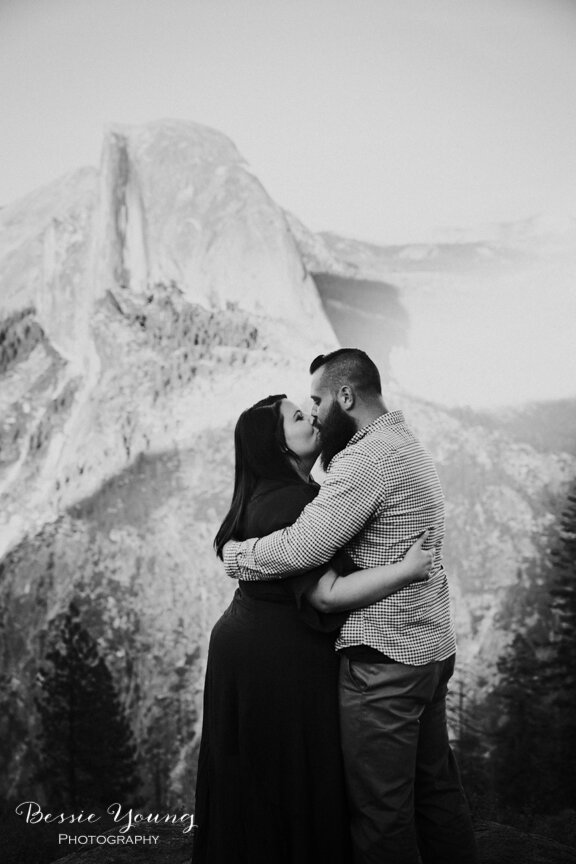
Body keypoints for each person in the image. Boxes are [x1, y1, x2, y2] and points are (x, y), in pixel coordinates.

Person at [224, 350, 479, 864]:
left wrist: (236, 555)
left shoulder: (366, 459)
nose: (314, 412)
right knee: (436, 794)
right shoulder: (401, 439)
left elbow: (302, 549)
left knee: (381, 815)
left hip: (383, 661)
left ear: (345, 396)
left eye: (316, 401)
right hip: (429, 648)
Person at [194, 393, 433, 864]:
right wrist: (408, 570)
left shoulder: (274, 492)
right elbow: (324, 593)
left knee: (257, 775)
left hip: (252, 646)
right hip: (276, 657)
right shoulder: (293, 501)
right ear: (277, 447)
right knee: (289, 772)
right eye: (299, 417)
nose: (313, 417)